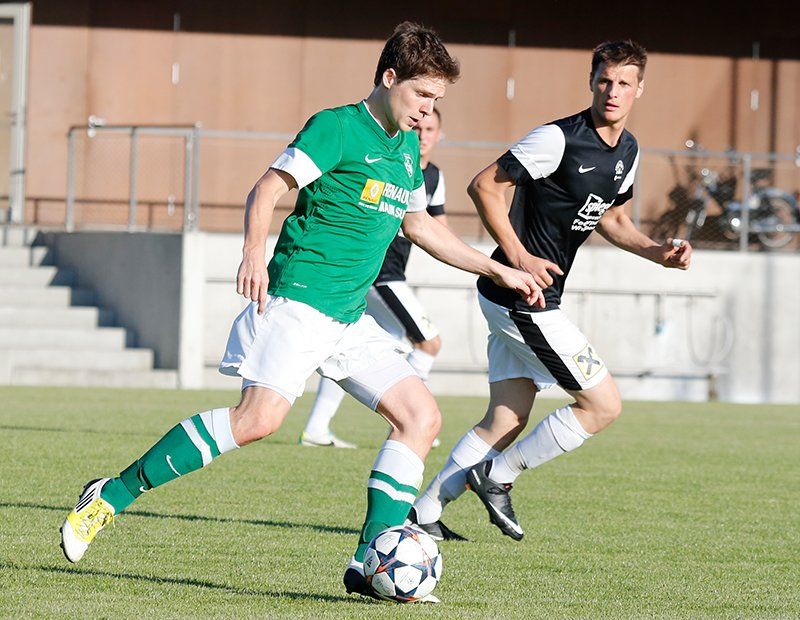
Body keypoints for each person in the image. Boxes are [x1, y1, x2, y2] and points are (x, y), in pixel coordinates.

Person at [59, 22, 542, 601]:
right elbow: (267, 189)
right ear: (390, 78)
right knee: (256, 422)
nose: (427, 110)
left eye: (436, 99)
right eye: (421, 94)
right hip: (298, 301)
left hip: (348, 317)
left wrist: (497, 268)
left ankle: (368, 561)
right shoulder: (336, 127)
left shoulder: (407, 149)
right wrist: (253, 254)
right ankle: (110, 495)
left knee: (421, 418)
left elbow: (419, 226)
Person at [409, 40, 692, 542]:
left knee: (505, 418)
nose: (613, 91)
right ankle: (498, 476)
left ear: (639, 89)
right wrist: (517, 256)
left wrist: (657, 252)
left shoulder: (628, 151)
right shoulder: (558, 139)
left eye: (624, 83)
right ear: (591, 82)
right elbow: (484, 186)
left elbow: (612, 218)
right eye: (604, 80)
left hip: (523, 298)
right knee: (603, 406)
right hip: (523, 298)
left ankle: (423, 513)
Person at [299, 109, 448, 449]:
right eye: (419, 127)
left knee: (363, 348)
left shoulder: (434, 176)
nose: (423, 134)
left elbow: (437, 228)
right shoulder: (386, 162)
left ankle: (316, 428)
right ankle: (411, 418)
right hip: (381, 274)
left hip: (395, 275)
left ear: (439, 135)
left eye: (431, 129)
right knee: (429, 342)